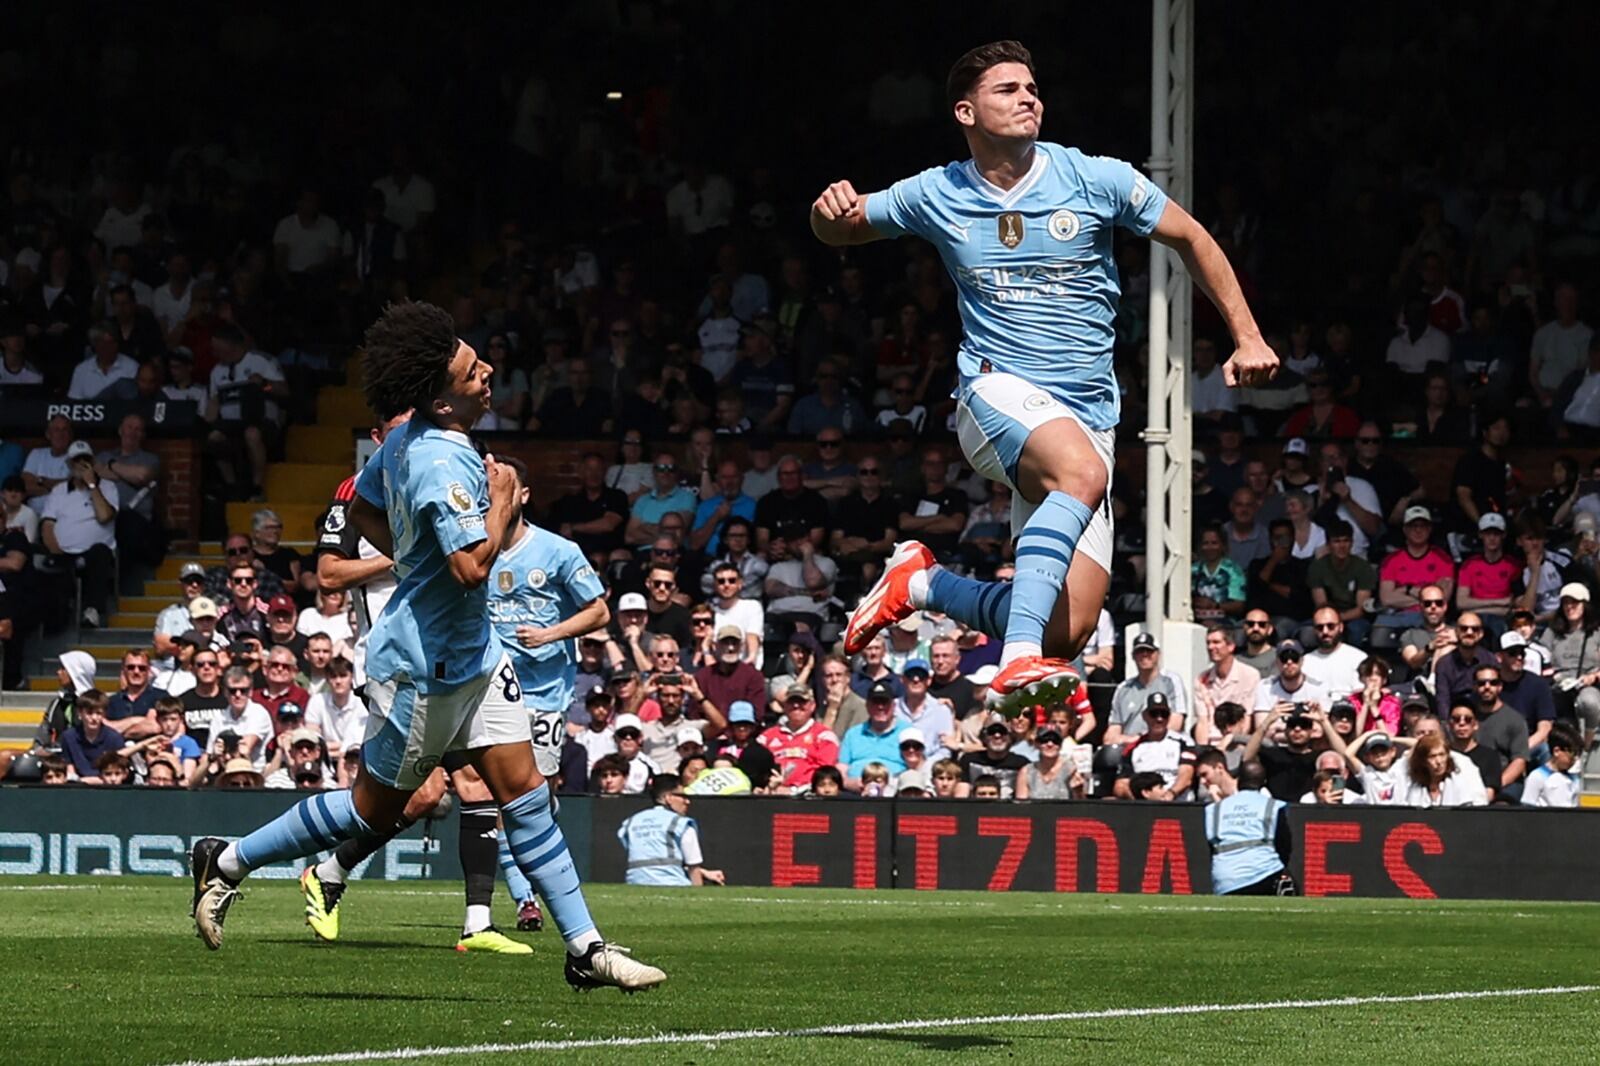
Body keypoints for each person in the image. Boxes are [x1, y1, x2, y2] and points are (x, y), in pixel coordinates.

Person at [187, 301, 661, 990]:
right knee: (371, 811)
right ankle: (227, 860)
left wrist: (410, 559)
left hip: (474, 653)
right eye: (474, 369)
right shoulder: (442, 458)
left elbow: (360, 509)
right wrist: (500, 501)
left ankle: (584, 949)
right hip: (425, 667)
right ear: (442, 396)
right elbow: (472, 567)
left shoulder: (403, 436)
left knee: (525, 794)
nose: (489, 370)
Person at [818, 39, 1276, 716]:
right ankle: (1015, 660)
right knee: (1081, 478)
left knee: (1072, 627)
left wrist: (1248, 335)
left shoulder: (1097, 178)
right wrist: (825, 213)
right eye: (1008, 89)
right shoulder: (937, 191)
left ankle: (922, 584)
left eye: (1033, 87)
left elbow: (1192, 238)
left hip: (1086, 415)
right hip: (993, 393)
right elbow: (844, 230)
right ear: (966, 112)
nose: (1029, 97)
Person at [39, 439, 119, 627]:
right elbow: (47, 525)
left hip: (96, 553)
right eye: (77, 461)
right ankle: (58, 616)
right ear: (69, 464)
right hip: (64, 552)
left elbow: (105, 516)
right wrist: (56, 550)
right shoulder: (59, 491)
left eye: (86, 460)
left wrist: (92, 485)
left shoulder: (108, 487)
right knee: (49, 565)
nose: (81, 465)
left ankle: (92, 610)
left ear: (92, 463)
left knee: (99, 553)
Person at [1203, 757, 1296, 896]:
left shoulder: (1214, 809)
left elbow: (1211, 846)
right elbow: (1284, 844)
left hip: (1225, 879)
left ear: (1239, 781)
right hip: (1265, 873)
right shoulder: (1273, 806)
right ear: (1263, 783)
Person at [616, 774, 725, 886]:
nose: (687, 801)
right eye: (683, 796)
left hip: (635, 884)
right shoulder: (681, 824)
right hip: (673, 884)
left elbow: (650, 863)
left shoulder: (631, 822)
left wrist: (704, 872)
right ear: (668, 798)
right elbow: (693, 868)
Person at [1104, 632, 1188, 743]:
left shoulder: (1171, 681)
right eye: (1140, 651)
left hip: (1165, 746)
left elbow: (1176, 723)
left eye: (1149, 651)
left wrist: (1145, 740)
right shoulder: (1123, 688)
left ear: (1158, 654)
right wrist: (1134, 741)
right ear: (1133, 656)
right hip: (1129, 750)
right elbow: (1111, 735)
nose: (1144, 655)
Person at [759, 684, 840, 792]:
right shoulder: (766, 736)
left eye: (802, 702)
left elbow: (825, 774)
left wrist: (793, 790)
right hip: (771, 792)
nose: (796, 705)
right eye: (791, 702)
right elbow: (754, 765)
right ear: (785, 706)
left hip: (808, 796)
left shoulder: (824, 736)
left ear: (812, 705)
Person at [1193, 623, 1261, 745]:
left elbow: (1246, 719)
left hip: (1236, 742)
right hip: (1210, 742)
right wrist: (1203, 751)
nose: (1210, 647)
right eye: (1208, 643)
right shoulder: (1202, 678)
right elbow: (1202, 721)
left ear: (1230, 646)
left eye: (1216, 642)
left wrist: (1232, 744)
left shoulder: (1250, 675)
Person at [1398, 731, 1487, 807]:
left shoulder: (1462, 778)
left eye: (1442, 755)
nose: (1438, 761)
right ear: (1423, 761)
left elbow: (1479, 804)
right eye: (1432, 756)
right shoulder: (1411, 784)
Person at [1522, 724, 1582, 807]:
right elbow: (1528, 806)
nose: (1575, 759)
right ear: (1556, 751)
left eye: (1578, 754)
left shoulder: (1574, 778)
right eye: (1572, 754)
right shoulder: (1537, 776)